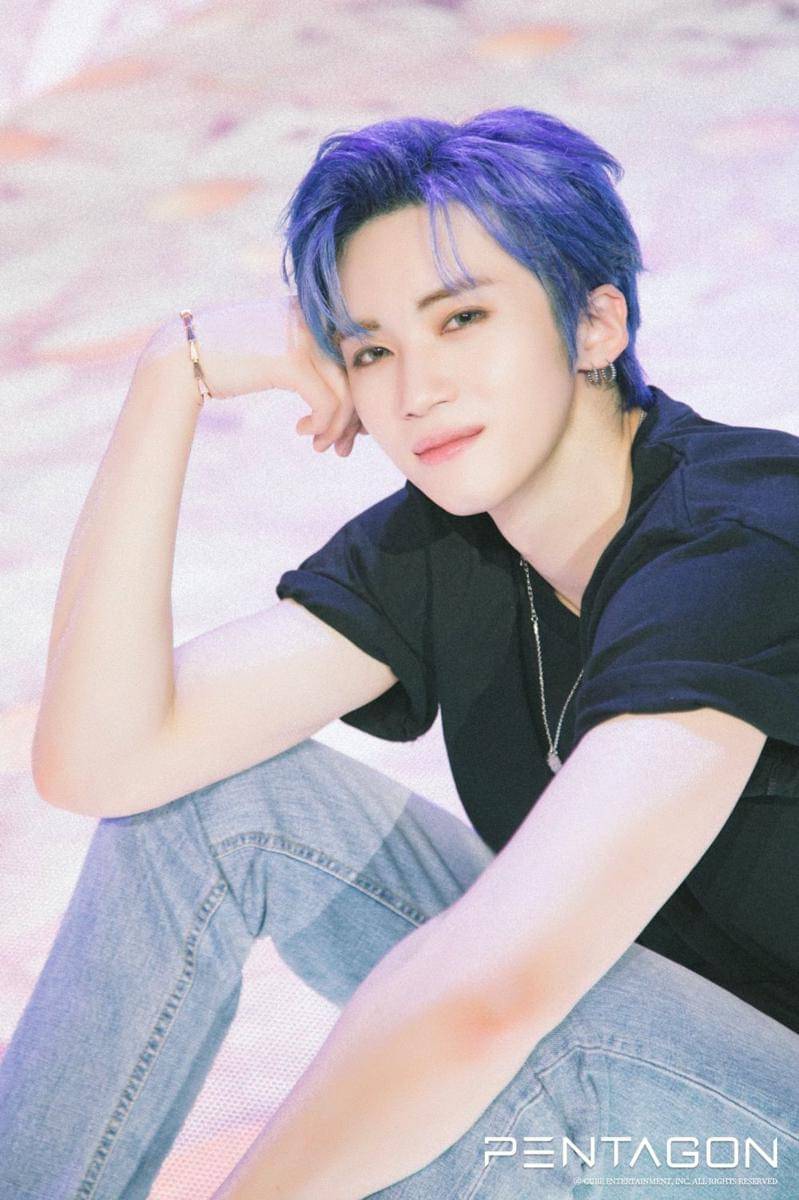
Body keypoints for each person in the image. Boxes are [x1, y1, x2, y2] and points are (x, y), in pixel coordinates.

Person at [1, 106, 797, 1199]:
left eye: (461, 318)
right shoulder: (448, 545)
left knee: (499, 1044)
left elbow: (485, 1002)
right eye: (372, 348)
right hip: (651, 1060)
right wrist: (168, 376)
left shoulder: (738, 544)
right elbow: (103, 762)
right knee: (220, 807)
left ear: (594, 324)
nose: (415, 392)